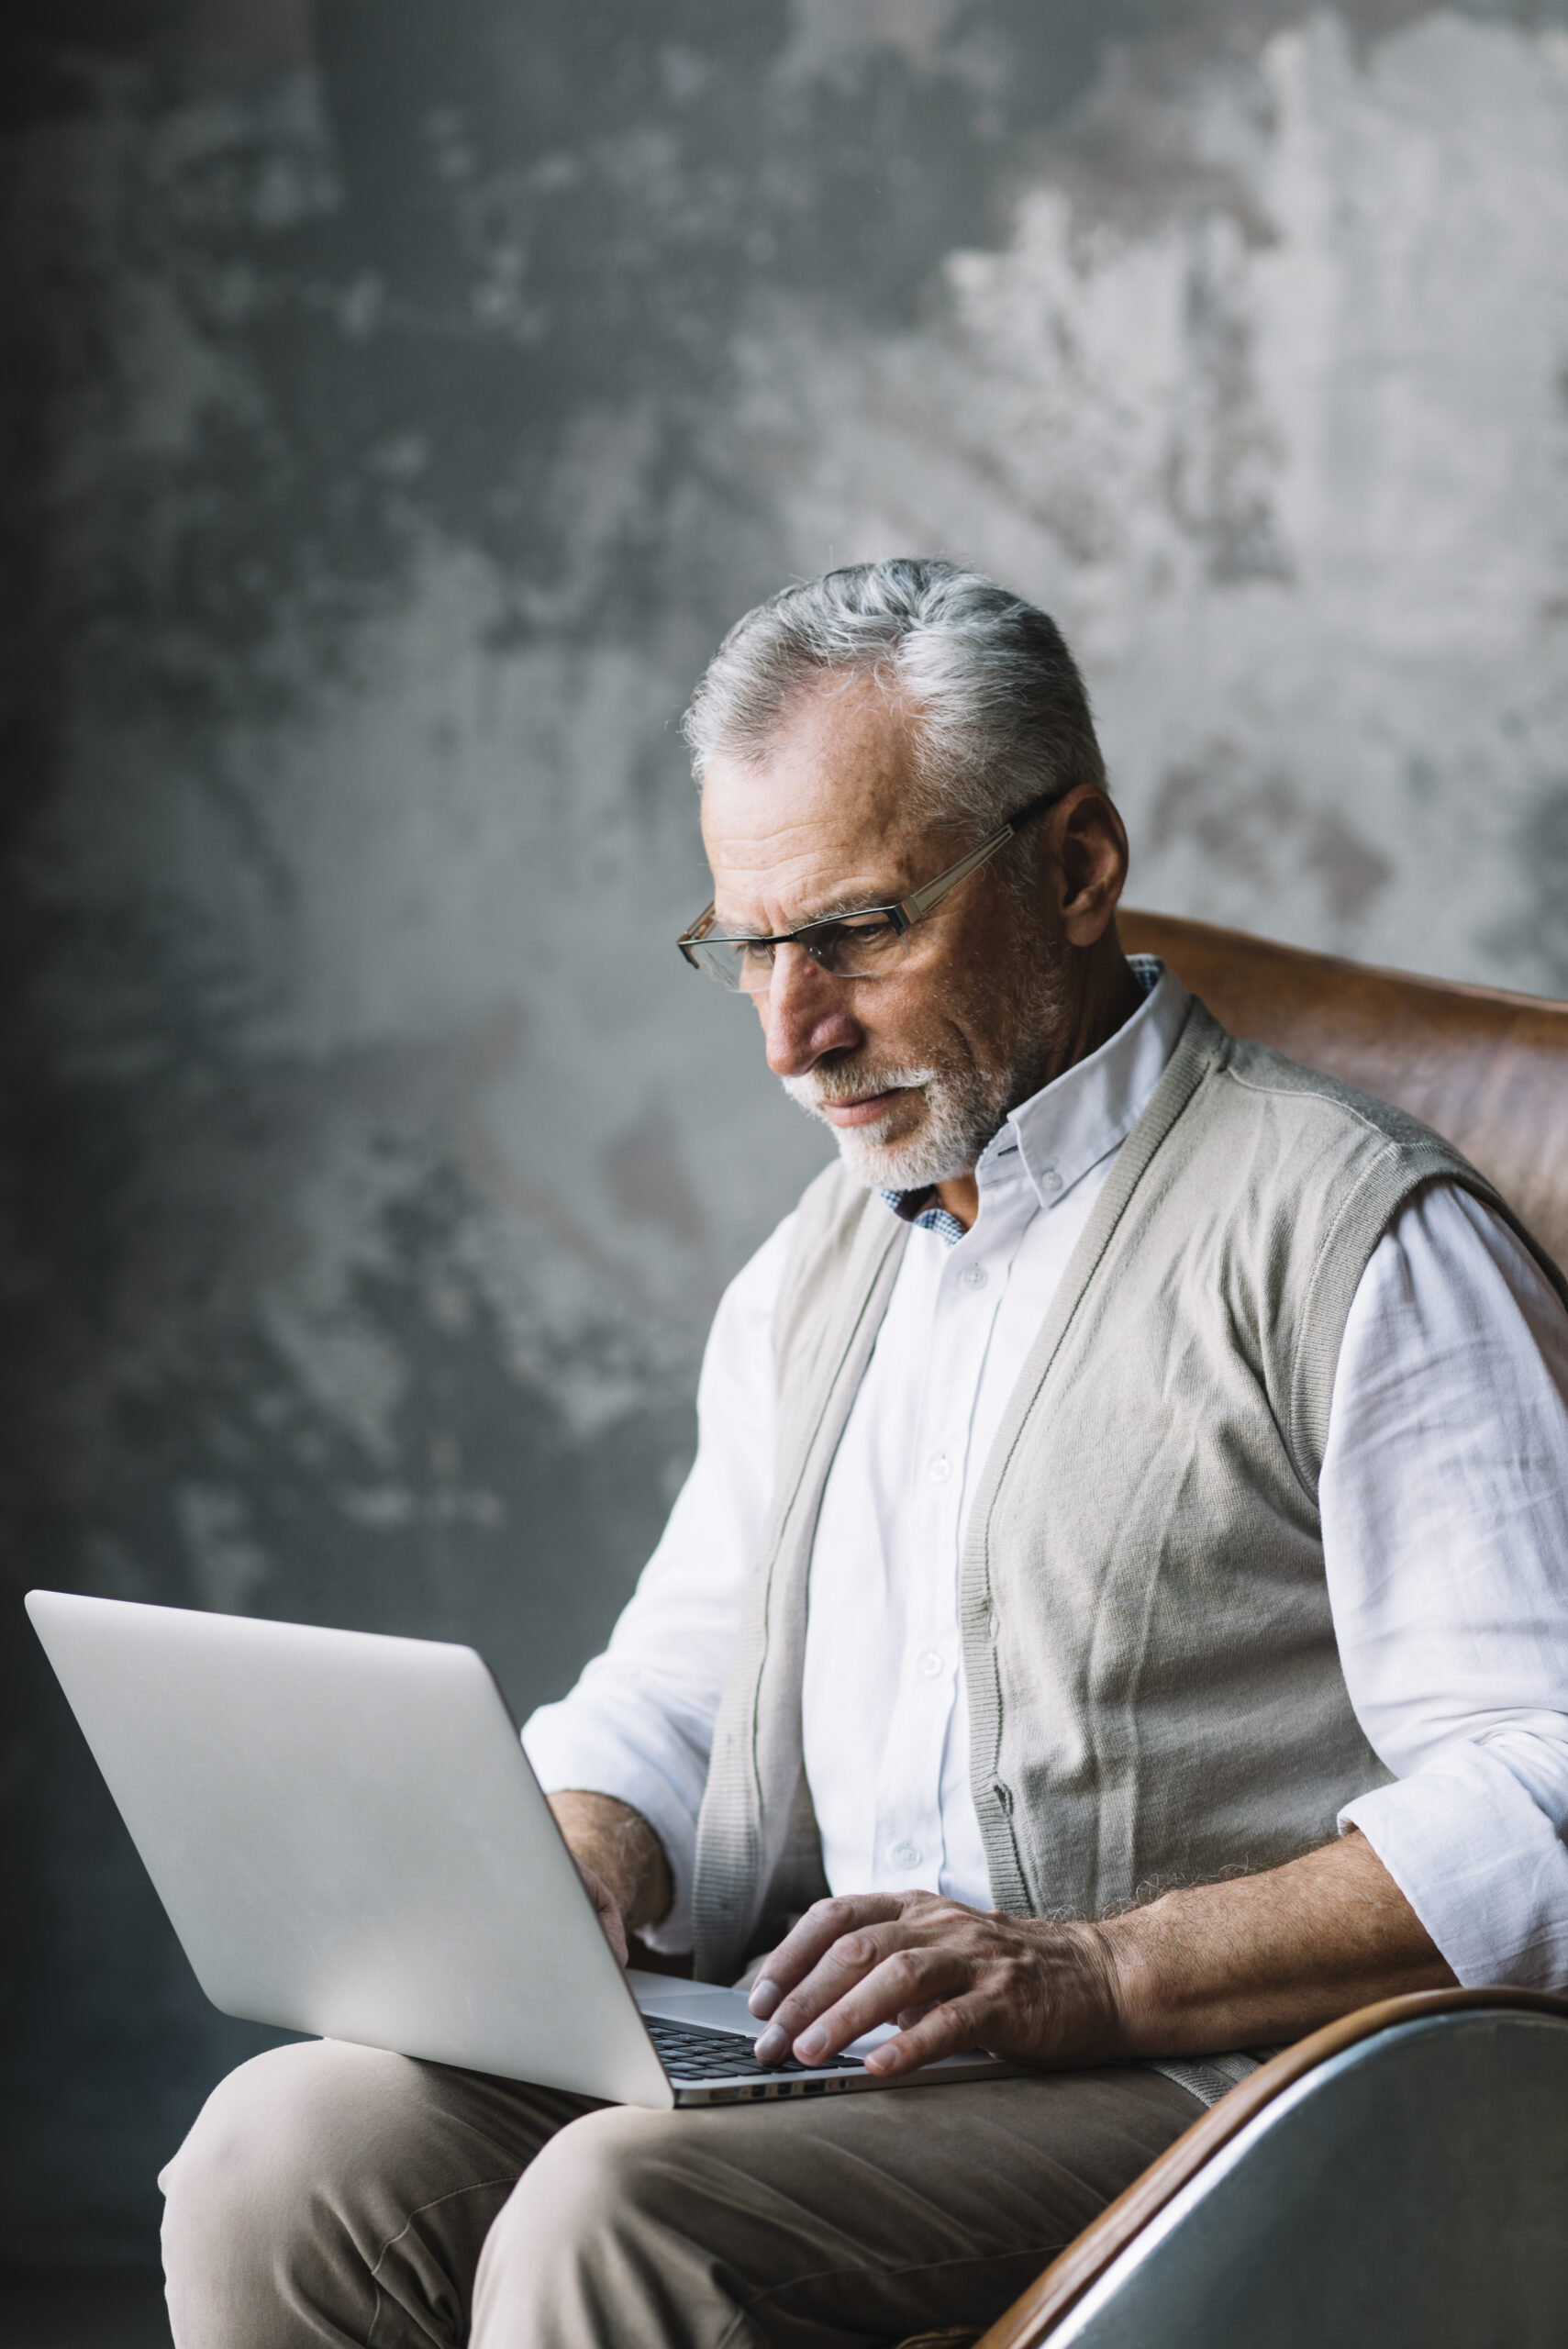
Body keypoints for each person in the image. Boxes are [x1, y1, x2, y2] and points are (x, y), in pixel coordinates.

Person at [160, 561, 1568, 2348]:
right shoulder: (819, 1265)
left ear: (1074, 865)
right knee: (282, 2146)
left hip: (1215, 2085)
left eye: (858, 930)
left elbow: (1549, 1795)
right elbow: (676, 1690)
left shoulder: (1356, 1239)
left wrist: (1092, 1966)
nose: (788, 1032)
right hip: (850, 2048)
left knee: (618, 2217)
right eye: (748, 942)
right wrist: (578, 1848)